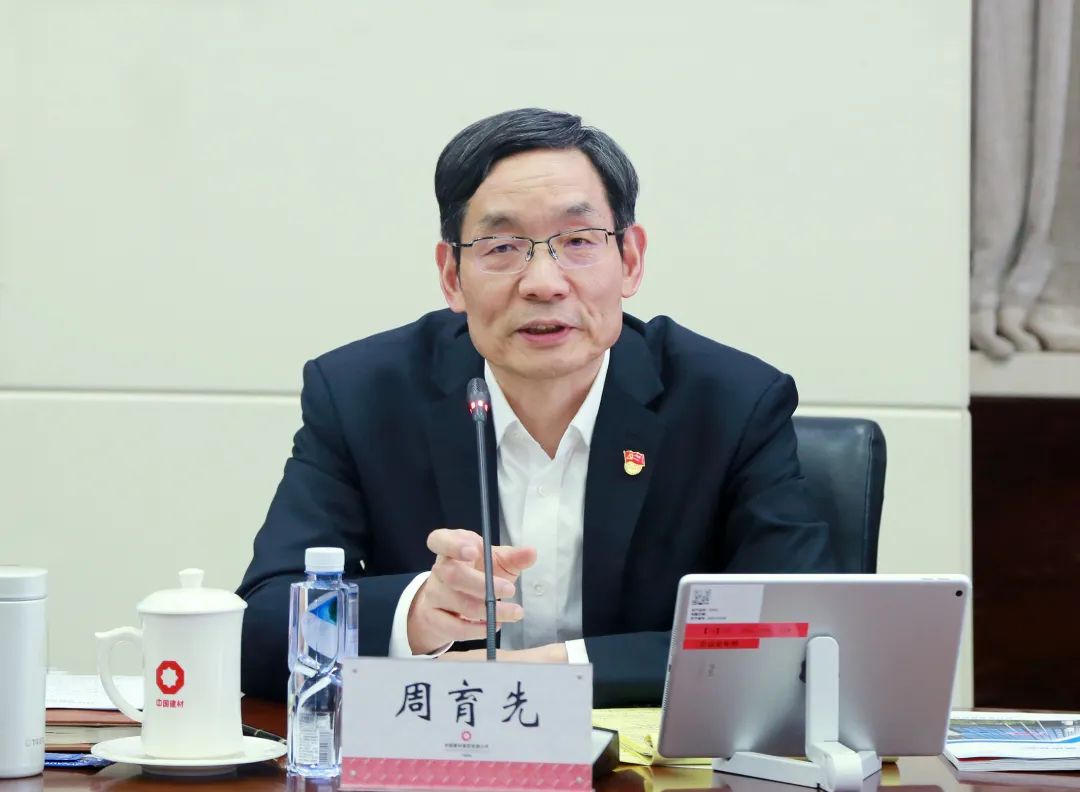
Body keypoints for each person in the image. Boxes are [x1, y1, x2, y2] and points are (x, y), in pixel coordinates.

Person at [237, 107, 835, 707]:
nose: (543, 282)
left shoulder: (731, 403)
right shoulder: (363, 396)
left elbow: (798, 635)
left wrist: (546, 670)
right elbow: (260, 627)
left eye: (578, 242)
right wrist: (414, 614)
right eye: (501, 247)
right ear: (452, 275)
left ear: (630, 260)